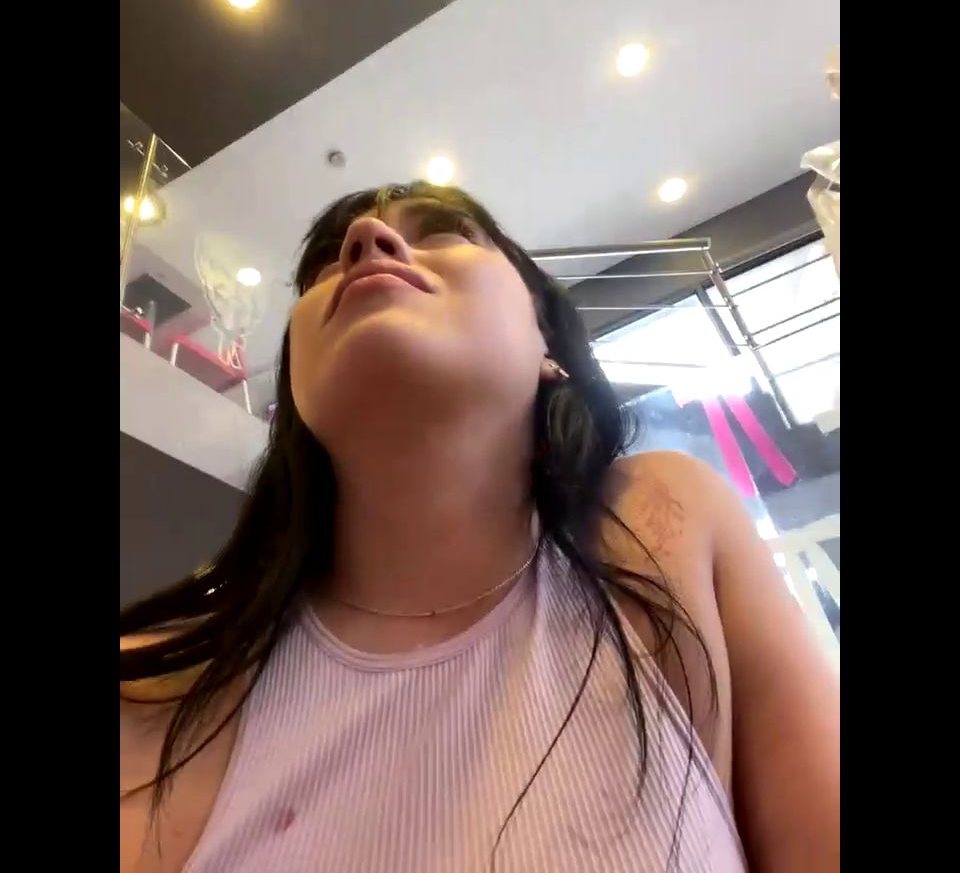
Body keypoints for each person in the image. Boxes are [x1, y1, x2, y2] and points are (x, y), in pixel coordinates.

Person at [120, 183, 840, 872]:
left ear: (548, 343)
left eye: (442, 233)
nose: (366, 243)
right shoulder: (149, 692)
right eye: (324, 266)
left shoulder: (661, 520)